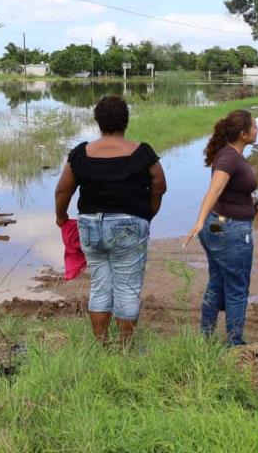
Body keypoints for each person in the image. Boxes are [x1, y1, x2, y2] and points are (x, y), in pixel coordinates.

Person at [54, 96, 167, 345]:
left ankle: (101, 344)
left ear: (98, 122)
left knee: (99, 286)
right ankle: (125, 348)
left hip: (90, 226)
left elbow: (63, 191)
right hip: (129, 225)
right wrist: (148, 214)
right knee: (127, 288)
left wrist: (61, 217)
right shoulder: (142, 153)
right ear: (126, 121)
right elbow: (160, 185)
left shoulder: (80, 153)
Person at [183, 110, 258, 346]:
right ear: (244, 134)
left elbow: (224, 192)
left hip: (218, 226)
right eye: (255, 127)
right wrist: (198, 221)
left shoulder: (230, 153)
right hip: (230, 229)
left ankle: (206, 338)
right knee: (237, 287)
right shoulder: (229, 158)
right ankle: (234, 343)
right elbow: (214, 189)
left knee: (217, 280)